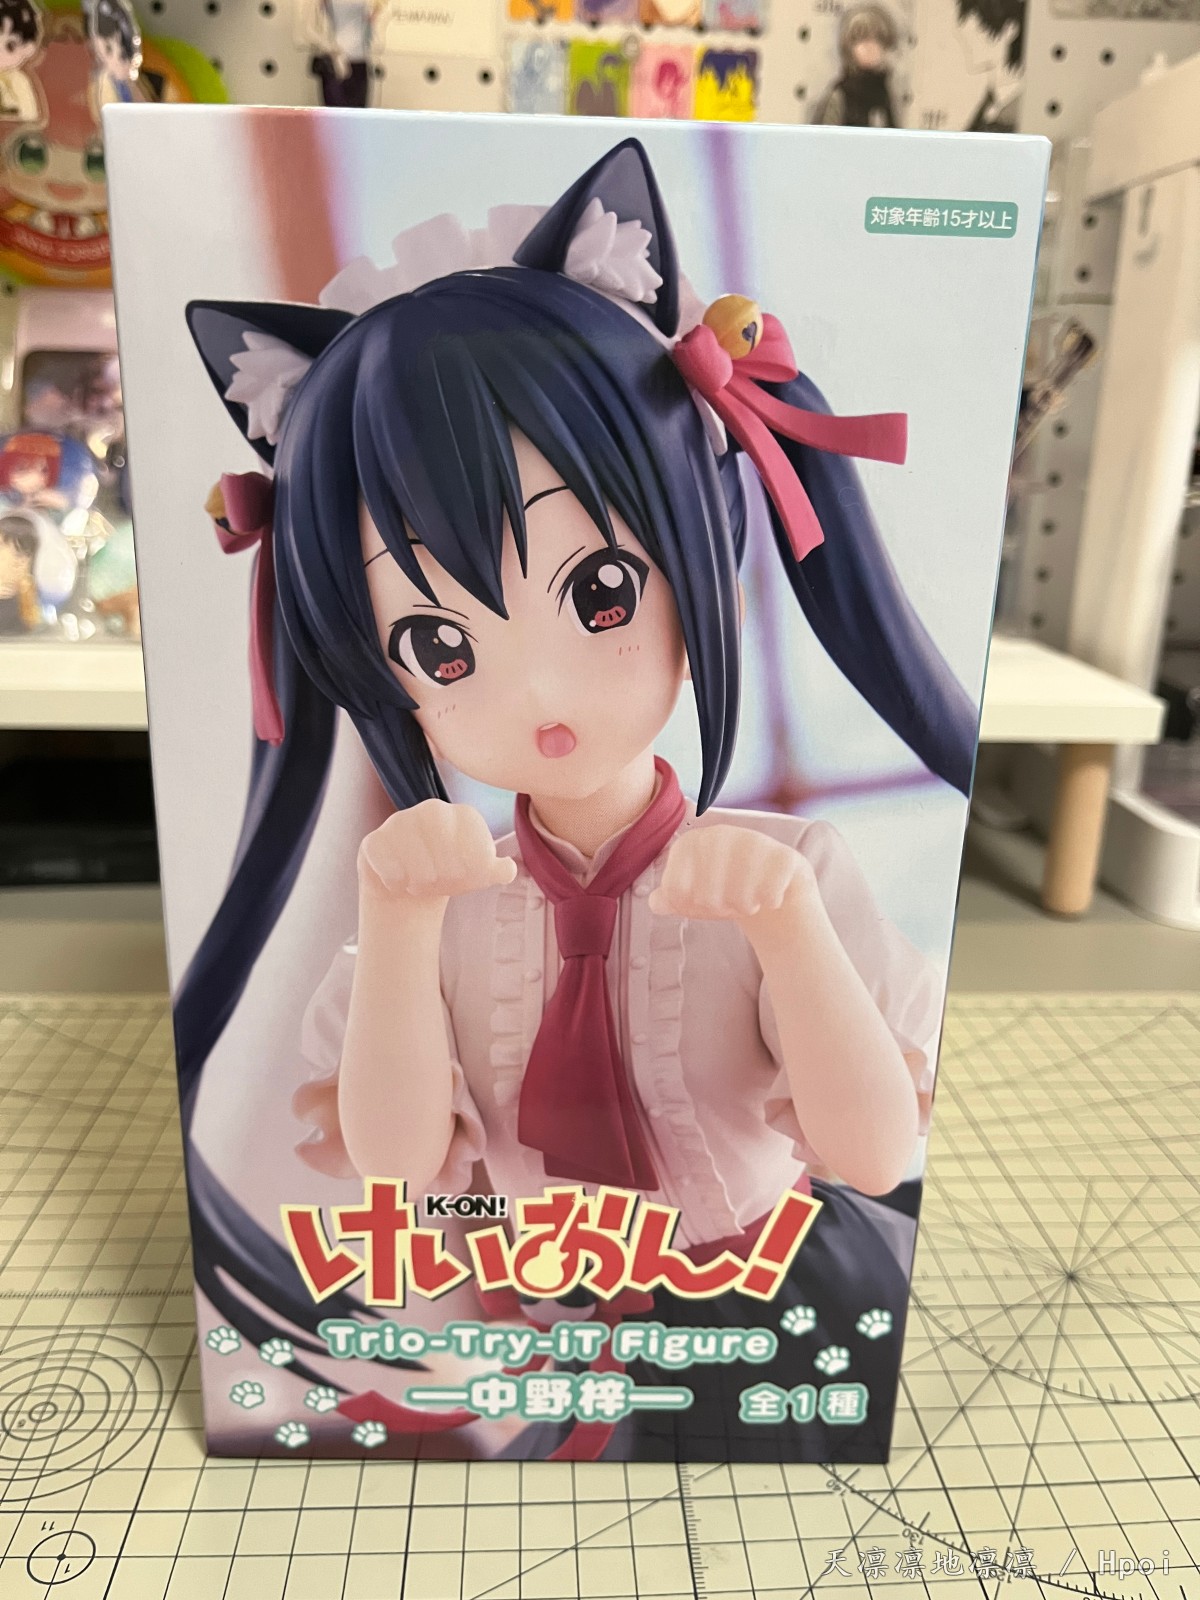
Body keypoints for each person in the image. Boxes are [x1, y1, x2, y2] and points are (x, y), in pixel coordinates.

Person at [182, 138, 975, 1461]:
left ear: (698, 557)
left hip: (779, 1312)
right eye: (440, 648)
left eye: (601, 592)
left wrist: (788, 933)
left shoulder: (788, 869)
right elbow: (394, 1166)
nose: (537, 691)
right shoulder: (444, 902)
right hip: (541, 1336)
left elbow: (875, 1148)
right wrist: (399, 927)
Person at [812, 4, 900, 128]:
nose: (870, 46)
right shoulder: (840, 95)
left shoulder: (884, 93)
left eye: (877, 40)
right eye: (861, 39)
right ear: (848, 47)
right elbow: (826, 135)